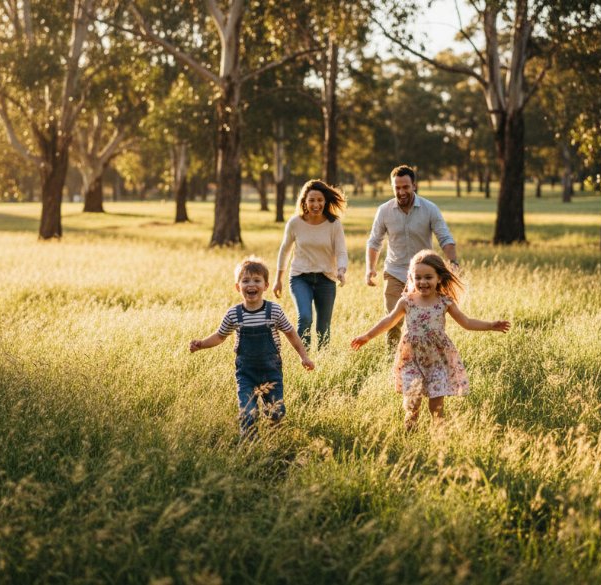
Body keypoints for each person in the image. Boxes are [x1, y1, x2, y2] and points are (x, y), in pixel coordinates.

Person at [351, 250, 510, 431]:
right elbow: (389, 320)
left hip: (437, 358)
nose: (423, 282)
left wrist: (491, 325)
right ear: (411, 278)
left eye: (428, 277)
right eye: (417, 278)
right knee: (413, 400)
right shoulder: (407, 301)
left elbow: (466, 322)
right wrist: (368, 336)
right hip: (411, 357)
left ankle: (439, 434)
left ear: (439, 278)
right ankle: (410, 428)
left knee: (436, 404)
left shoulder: (444, 302)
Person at [190, 256, 314, 438]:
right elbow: (220, 336)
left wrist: (304, 356)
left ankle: (275, 441)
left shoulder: (274, 311)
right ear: (237, 286)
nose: (251, 285)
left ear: (265, 286)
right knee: (248, 413)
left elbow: (291, 333)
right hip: (246, 373)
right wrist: (202, 344)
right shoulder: (234, 314)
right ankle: (249, 443)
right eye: (245, 280)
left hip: (271, 371)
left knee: (276, 412)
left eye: (257, 280)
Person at [366, 165, 459, 346]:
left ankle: (425, 357)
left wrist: (453, 262)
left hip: (423, 275)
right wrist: (370, 268)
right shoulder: (384, 211)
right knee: (393, 320)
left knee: (424, 322)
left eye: (405, 187)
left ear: (414, 186)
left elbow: (445, 237)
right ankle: (393, 360)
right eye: (397, 188)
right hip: (395, 272)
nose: (401, 192)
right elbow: (374, 241)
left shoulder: (430, 208)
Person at [273, 180, 349, 350]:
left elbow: (341, 252)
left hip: (326, 279)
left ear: (326, 201)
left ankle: (322, 360)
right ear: (304, 202)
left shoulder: (334, 224)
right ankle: (304, 357)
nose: (316, 204)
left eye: (320, 200)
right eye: (312, 200)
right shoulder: (295, 223)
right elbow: (284, 251)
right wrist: (278, 280)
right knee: (305, 317)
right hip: (300, 277)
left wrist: (342, 270)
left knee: (324, 326)